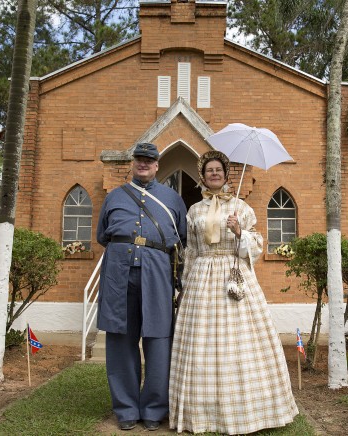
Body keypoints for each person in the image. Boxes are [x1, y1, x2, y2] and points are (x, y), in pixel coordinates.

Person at [169, 150, 298, 434]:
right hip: (203, 278)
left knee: (238, 341)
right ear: (202, 176)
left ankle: (248, 409)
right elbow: (190, 250)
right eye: (209, 170)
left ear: (227, 175)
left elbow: (256, 246)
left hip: (234, 276)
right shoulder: (195, 211)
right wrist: (185, 284)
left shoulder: (242, 208)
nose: (214, 174)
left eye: (219, 170)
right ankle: (202, 411)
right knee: (202, 341)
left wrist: (241, 232)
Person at [97, 142, 187, 432]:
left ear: (157, 165)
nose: (144, 164)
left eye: (149, 160)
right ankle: (125, 410)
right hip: (118, 275)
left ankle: (153, 409)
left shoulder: (172, 199)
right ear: (133, 163)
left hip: (158, 275)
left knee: (159, 340)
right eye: (139, 159)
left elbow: (182, 239)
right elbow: (102, 235)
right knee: (120, 340)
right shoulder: (114, 197)